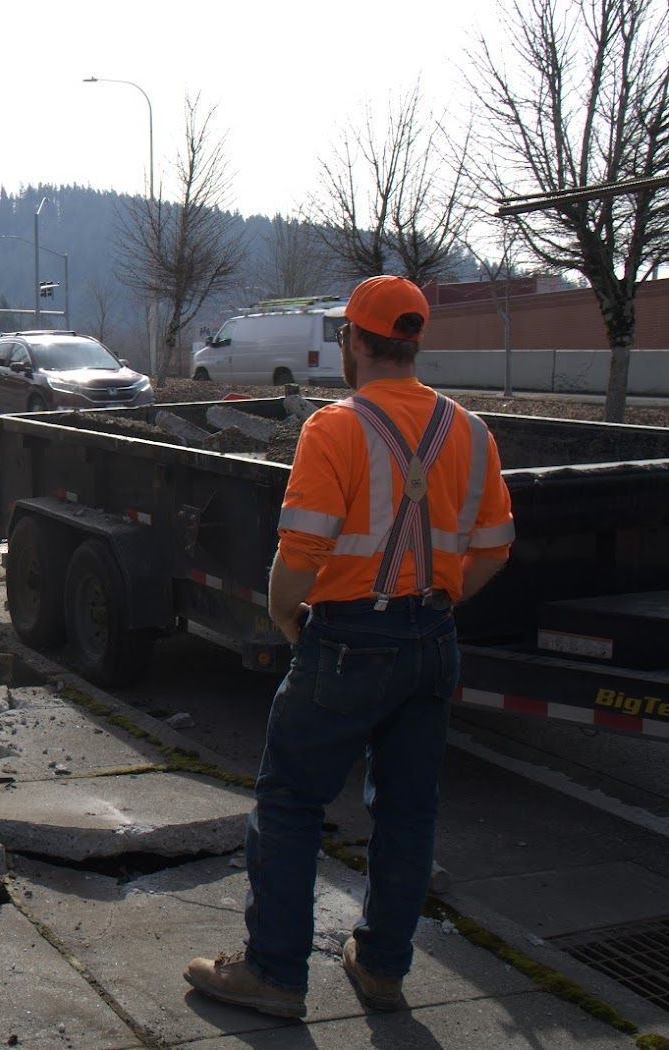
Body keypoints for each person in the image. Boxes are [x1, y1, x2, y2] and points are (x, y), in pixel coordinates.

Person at [184, 276, 515, 1019]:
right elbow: (495, 548)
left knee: (291, 800)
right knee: (407, 811)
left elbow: (301, 554)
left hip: (348, 638)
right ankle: (383, 968)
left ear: (355, 344)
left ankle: (274, 972)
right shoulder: (470, 430)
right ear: (413, 342)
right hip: (433, 638)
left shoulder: (334, 427)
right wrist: (439, 599)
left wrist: (283, 614)